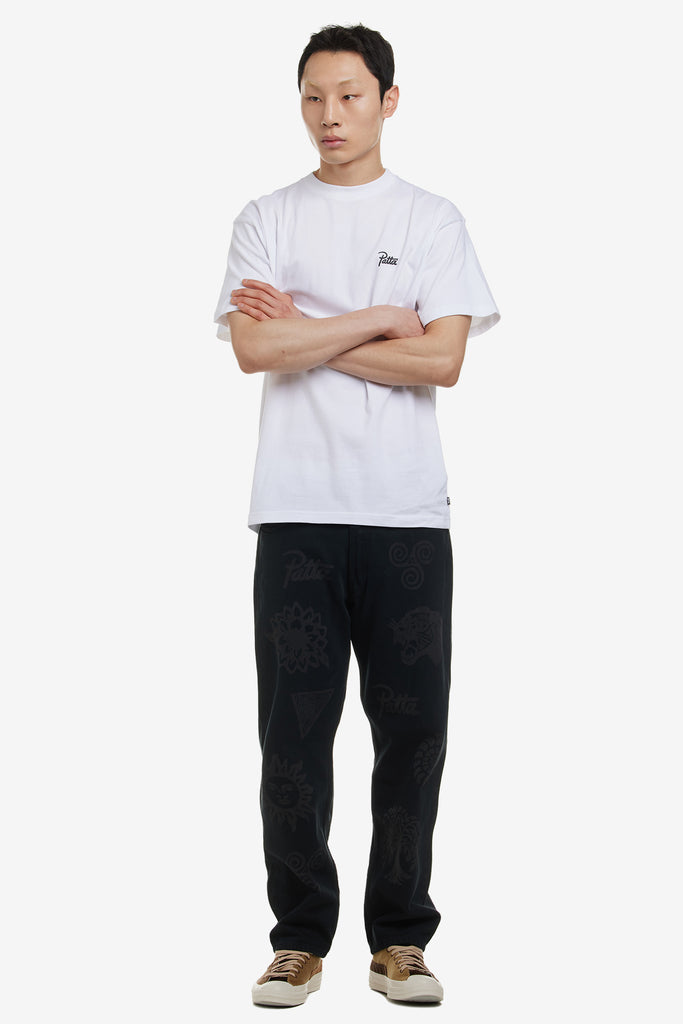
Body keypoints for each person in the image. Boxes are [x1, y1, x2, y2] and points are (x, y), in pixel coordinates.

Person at [213, 23, 499, 1007]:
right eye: (312, 97)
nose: (328, 116)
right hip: (294, 515)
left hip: (406, 519)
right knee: (292, 737)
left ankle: (399, 941)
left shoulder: (431, 220)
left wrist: (309, 329)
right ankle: (298, 940)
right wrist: (379, 317)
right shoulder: (265, 217)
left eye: (348, 95)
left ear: (387, 99)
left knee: (412, 734)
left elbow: (442, 362)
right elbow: (253, 349)